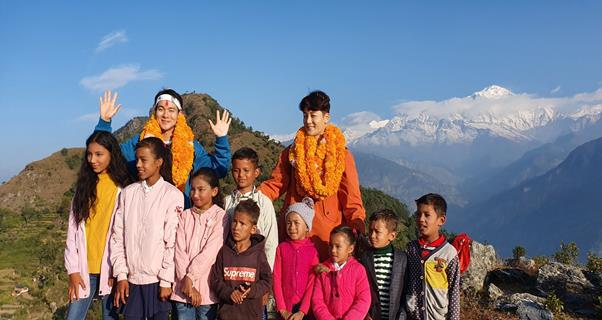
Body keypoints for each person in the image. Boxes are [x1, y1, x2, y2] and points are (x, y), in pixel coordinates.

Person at [260, 90, 366, 260]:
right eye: (305, 115)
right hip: (295, 231)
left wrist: (357, 227)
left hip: (326, 237)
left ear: (326, 117)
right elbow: (276, 184)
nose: (308, 121)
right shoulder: (292, 152)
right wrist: (252, 198)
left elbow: (351, 198)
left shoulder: (342, 155)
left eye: (313, 115)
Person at [94, 89, 231, 205]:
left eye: (171, 110)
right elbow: (105, 157)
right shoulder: (140, 142)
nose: (166, 115)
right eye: (161, 109)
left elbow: (219, 169)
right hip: (145, 211)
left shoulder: (191, 146)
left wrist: (221, 139)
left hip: (180, 216)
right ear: (154, 113)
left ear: (179, 115)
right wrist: (104, 123)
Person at [111, 137, 184, 319]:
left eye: (144, 160)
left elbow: (172, 242)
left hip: (157, 281)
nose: (138, 164)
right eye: (137, 159)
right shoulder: (128, 193)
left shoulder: (172, 195)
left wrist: (166, 280)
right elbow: (117, 236)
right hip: (131, 281)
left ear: (159, 162)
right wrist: (121, 275)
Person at [64, 131, 133, 319]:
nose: (92, 159)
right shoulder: (84, 188)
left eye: (99, 154)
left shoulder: (125, 188)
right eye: (89, 154)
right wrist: (73, 271)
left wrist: (119, 271)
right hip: (84, 269)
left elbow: (127, 234)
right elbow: (72, 232)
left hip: (111, 270)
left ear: (112, 154)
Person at [172, 168, 229, 320]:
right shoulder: (185, 216)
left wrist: (191, 278)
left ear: (214, 191)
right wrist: (187, 282)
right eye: (193, 189)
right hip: (182, 290)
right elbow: (179, 251)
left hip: (207, 290)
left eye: (201, 189)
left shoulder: (220, 216)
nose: (195, 194)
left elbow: (211, 252)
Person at [210, 200, 272, 320]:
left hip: (251, 315)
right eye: (234, 221)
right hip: (227, 315)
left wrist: (251, 291)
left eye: (242, 224)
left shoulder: (258, 254)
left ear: (253, 229)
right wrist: (229, 293)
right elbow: (215, 280)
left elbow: (267, 281)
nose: (236, 227)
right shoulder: (224, 251)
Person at [405, 194, 460, 320]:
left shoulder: (449, 254)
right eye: (418, 214)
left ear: (441, 220)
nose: (421, 219)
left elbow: (454, 291)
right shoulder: (411, 249)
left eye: (427, 215)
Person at [224, 147, 278, 269]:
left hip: (256, 266)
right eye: (236, 170)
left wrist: (266, 273)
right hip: (231, 266)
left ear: (256, 172)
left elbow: (271, 241)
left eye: (246, 170)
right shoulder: (227, 201)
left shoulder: (264, 203)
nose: (241, 175)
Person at [273, 198, 319, 320]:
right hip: (284, 308)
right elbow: (276, 279)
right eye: (289, 223)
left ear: (307, 227)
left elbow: (312, 283)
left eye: (296, 223)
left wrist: (303, 311)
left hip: (303, 311)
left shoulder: (313, 252)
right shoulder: (281, 248)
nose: (292, 227)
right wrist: (282, 309)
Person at [311, 226, 371, 320]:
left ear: (350, 248)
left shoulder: (358, 270)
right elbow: (317, 301)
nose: (333, 250)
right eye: (330, 245)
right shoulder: (322, 269)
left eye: (338, 246)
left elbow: (363, 300)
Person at [358, 209, 408, 320]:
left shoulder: (402, 260)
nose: (372, 235)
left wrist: (402, 317)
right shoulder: (364, 258)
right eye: (370, 230)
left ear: (392, 236)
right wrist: (365, 314)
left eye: (377, 232)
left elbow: (405, 293)